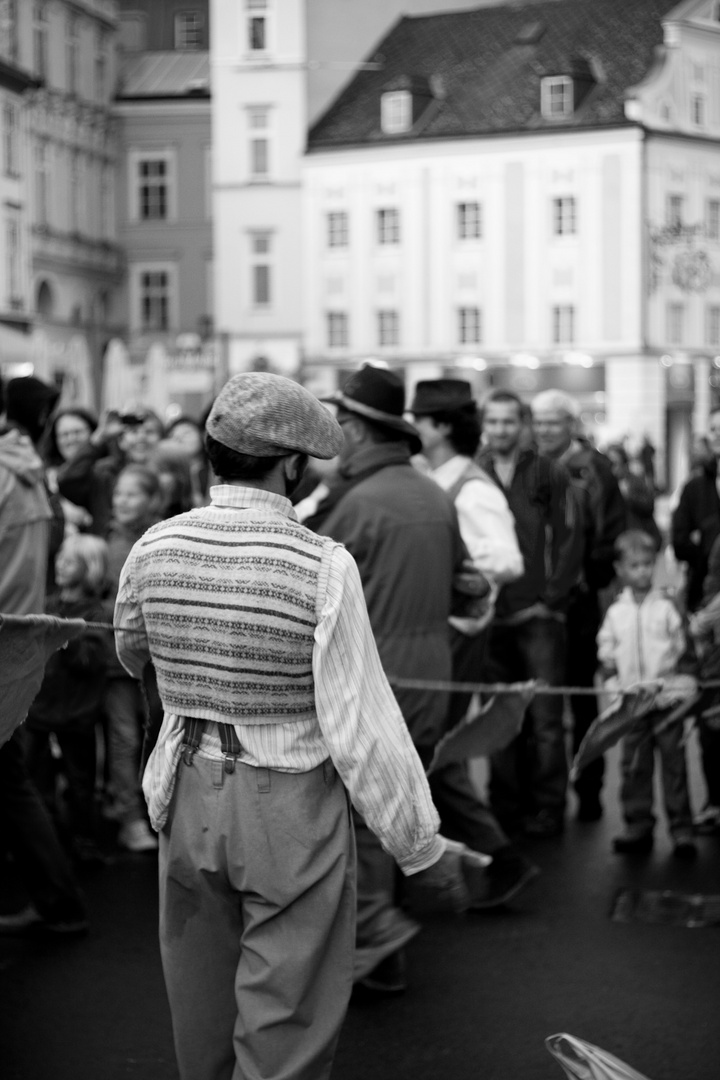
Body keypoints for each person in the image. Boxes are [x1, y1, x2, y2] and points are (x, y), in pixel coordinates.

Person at [114, 371, 465, 1080]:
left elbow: (130, 646)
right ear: (293, 463)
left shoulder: (156, 545)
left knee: (201, 1007)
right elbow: (361, 725)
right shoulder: (321, 564)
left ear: (213, 452)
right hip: (290, 806)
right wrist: (420, 847)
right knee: (285, 1023)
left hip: (184, 790)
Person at [307, 365, 468, 992]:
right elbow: (467, 582)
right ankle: (384, 936)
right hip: (434, 672)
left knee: (361, 809)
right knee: (399, 796)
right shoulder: (432, 492)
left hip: (382, 677)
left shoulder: (361, 503)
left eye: (339, 425)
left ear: (355, 427)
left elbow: (310, 591)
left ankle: (376, 929)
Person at [409, 378, 538, 904]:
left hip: (455, 639)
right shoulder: (437, 477)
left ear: (440, 427)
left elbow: (507, 560)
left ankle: (495, 858)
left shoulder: (473, 487)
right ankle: (473, 861)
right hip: (440, 634)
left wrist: (455, 574)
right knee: (428, 750)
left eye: (418, 418)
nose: (412, 427)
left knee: (431, 750)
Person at [0, 377, 89, 935]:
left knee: (11, 781)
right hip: (18, 638)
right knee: (11, 778)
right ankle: (58, 900)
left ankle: (60, 902)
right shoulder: (30, 476)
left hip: (7, 637)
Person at [477, 389, 584, 837]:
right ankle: (505, 805)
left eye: (508, 421)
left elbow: (570, 535)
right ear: (485, 424)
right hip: (489, 619)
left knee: (544, 722)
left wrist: (551, 599)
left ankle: (548, 808)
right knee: (500, 720)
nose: (501, 429)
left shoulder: (547, 472)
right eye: (493, 421)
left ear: (522, 424)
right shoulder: (473, 474)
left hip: (538, 616)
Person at [531, 389, 626, 823]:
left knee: (582, 697)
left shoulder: (594, 468)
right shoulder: (531, 465)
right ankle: (544, 791)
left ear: (571, 425)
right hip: (538, 601)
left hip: (582, 601)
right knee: (543, 700)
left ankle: (588, 789)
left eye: (554, 421)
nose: (545, 429)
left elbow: (611, 534)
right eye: (540, 421)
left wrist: (585, 580)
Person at [597, 530, 696, 858]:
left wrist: (681, 686)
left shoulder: (667, 608)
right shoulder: (615, 613)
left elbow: (683, 650)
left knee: (674, 765)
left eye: (646, 565)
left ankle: (682, 829)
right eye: (634, 565)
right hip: (632, 707)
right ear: (620, 569)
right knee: (634, 765)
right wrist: (613, 686)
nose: (641, 571)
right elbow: (607, 653)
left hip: (666, 704)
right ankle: (637, 825)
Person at [24, 534, 109, 866]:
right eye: (60, 557)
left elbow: (91, 662)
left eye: (70, 560)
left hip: (77, 714)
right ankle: (40, 842)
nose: (60, 564)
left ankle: (82, 839)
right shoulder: (45, 604)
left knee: (80, 783)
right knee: (33, 778)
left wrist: (65, 637)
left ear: (89, 569)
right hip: (40, 709)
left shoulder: (96, 613)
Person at [103, 465, 163, 853]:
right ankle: (129, 818)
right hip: (114, 660)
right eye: (118, 493)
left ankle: (149, 808)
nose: (122, 500)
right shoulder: (104, 543)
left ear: (151, 500)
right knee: (125, 739)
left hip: (156, 659)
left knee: (155, 736)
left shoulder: (164, 538)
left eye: (132, 494)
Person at [57, 404, 164, 535]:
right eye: (133, 432)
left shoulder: (169, 475)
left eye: (149, 432)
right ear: (121, 441)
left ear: (161, 437)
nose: (141, 438)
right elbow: (67, 481)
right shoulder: (105, 473)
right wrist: (98, 439)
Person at [671, 408, 720, 613]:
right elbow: (679, 543)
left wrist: (704, 534)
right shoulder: (694, 487)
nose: (717, 434)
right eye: (713, 428)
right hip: (702, 597)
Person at [42, 407, 97, 534]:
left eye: (77, 432)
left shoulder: (103, 470)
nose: (71, 439)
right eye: (64, 435)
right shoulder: (46, 475)